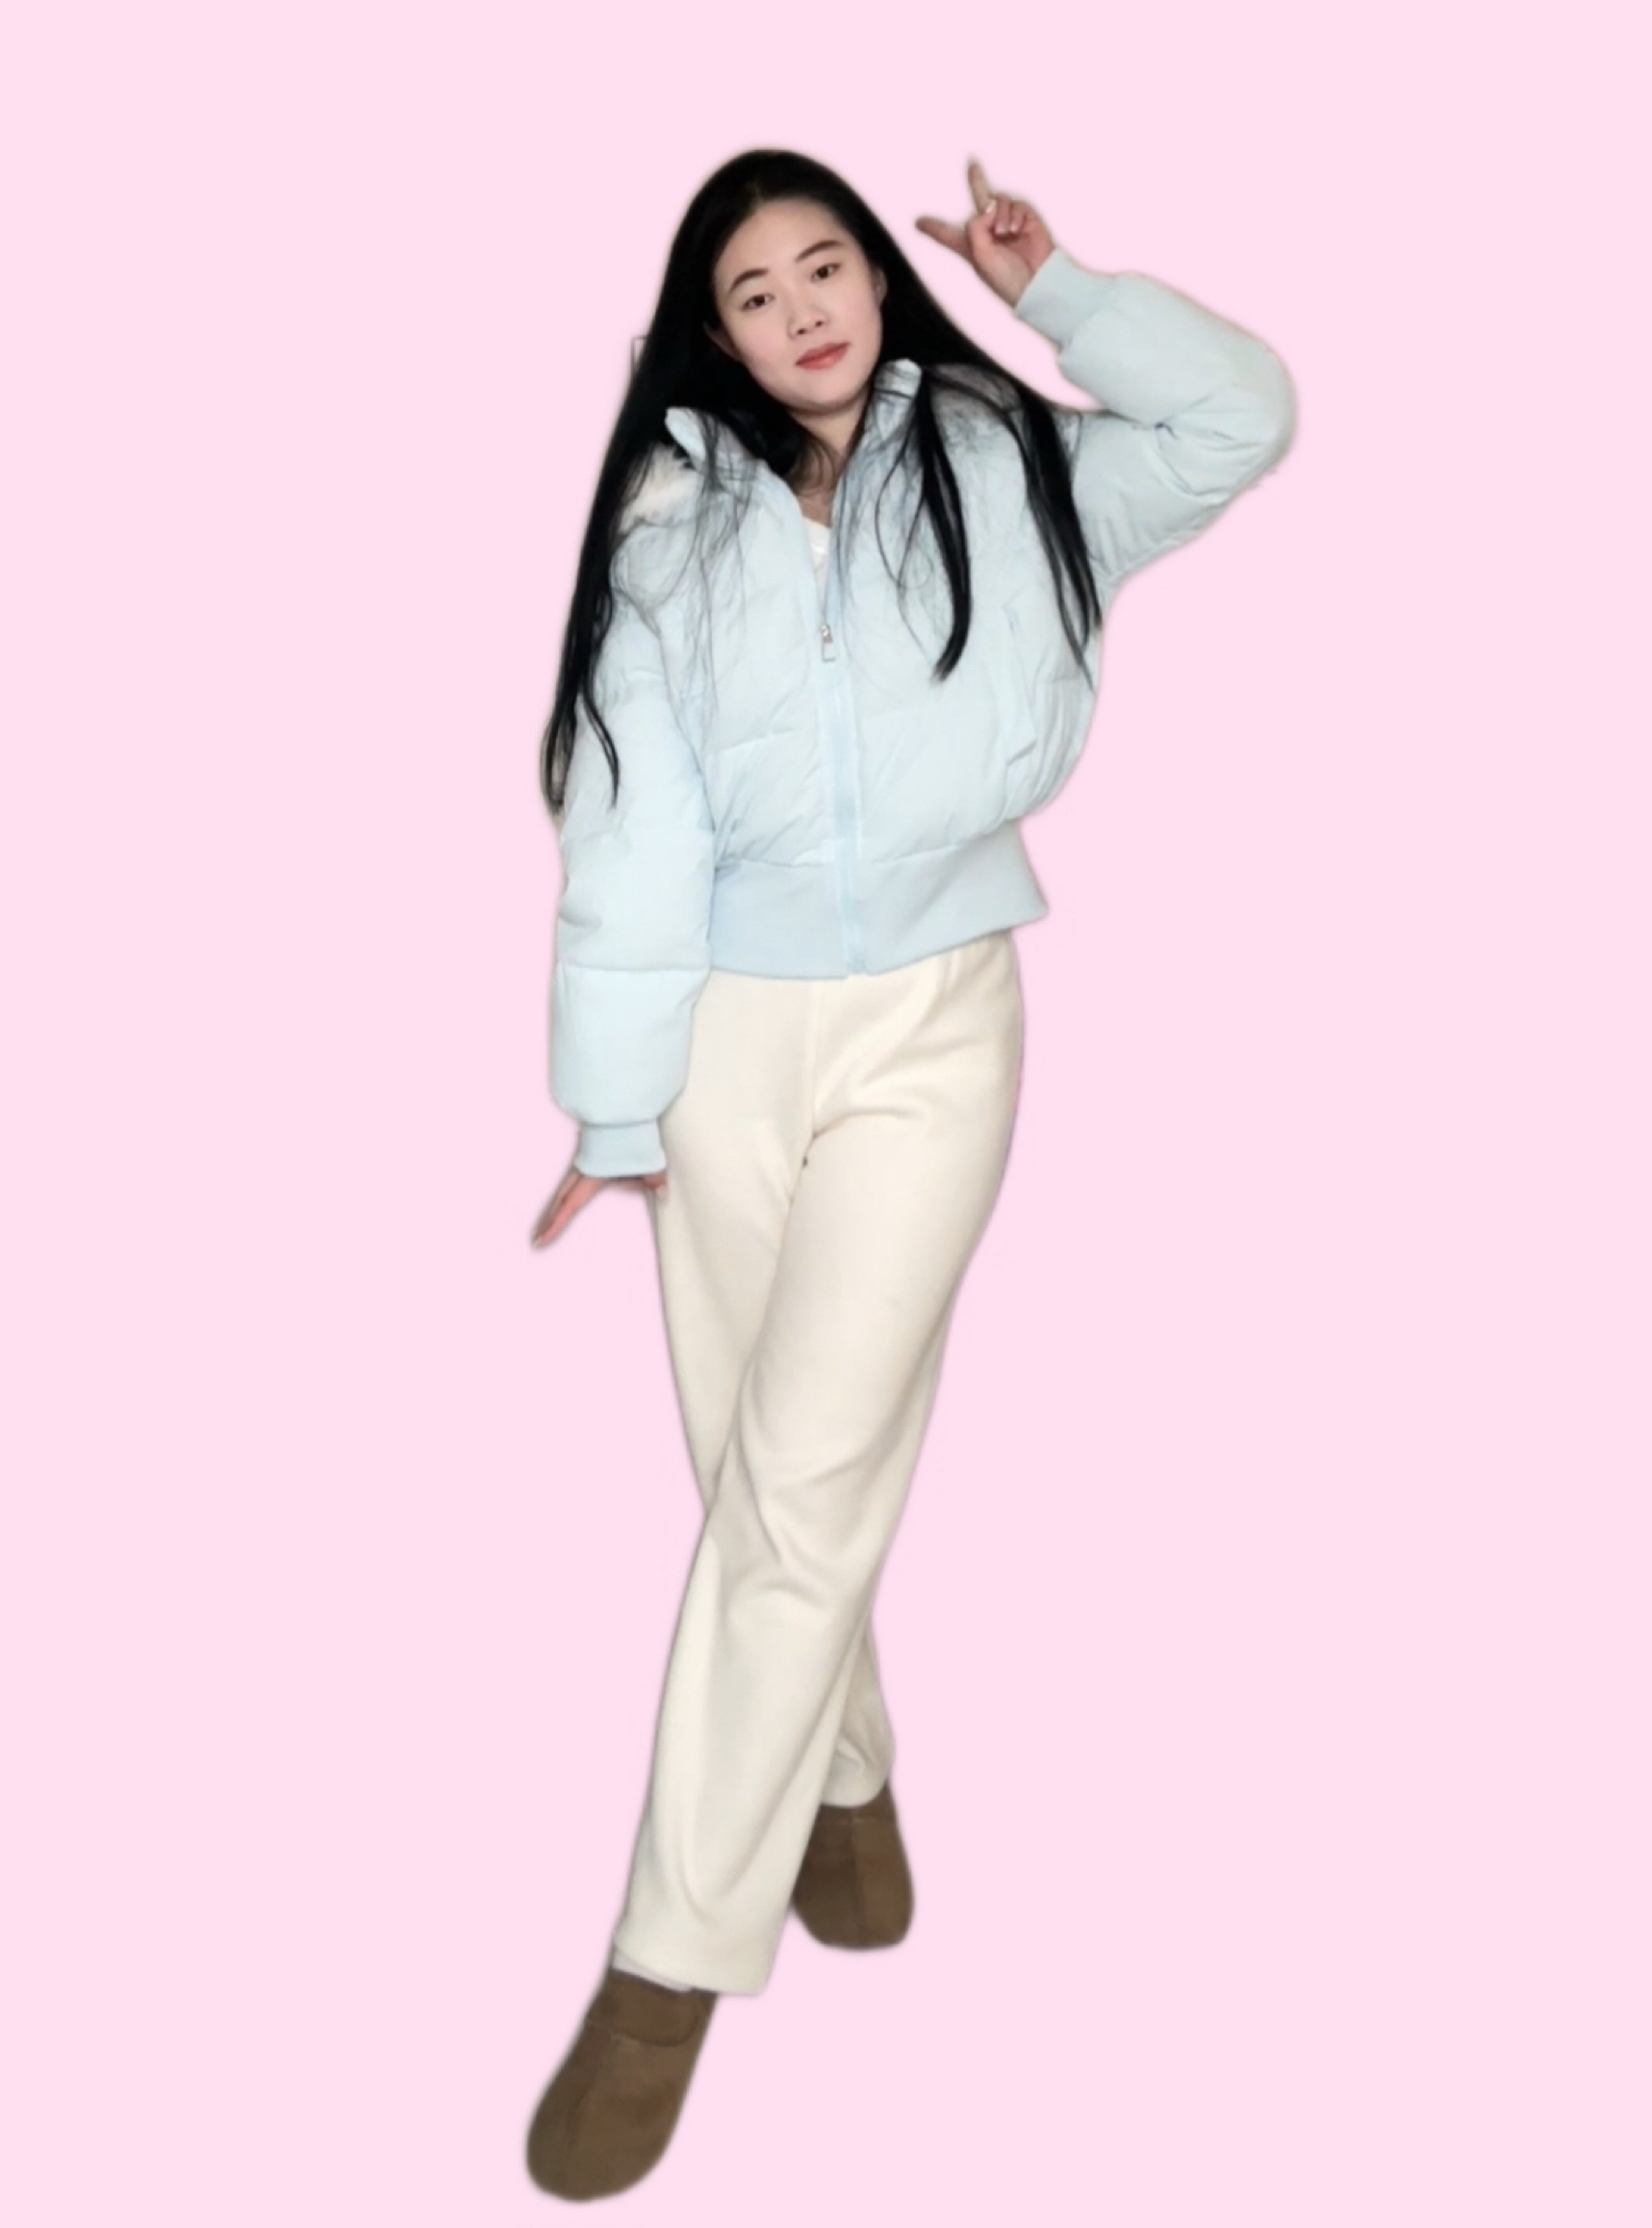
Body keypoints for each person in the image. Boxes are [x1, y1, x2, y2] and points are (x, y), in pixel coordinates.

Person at [523, 150, 1297, 2200]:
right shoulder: (671, 522)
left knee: (802, 1477)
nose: (804, 309)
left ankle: (662, 1974)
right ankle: (843, 1792)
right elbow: (625, 815)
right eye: (754, 288)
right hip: (721, 1040)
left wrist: (1066, 296)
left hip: (933, 1026)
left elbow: (1243, 418)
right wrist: (615, 1108)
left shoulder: (1016, 468)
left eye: (829, 265)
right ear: (711, 330)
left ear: (879, 274)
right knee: (758, 1463)